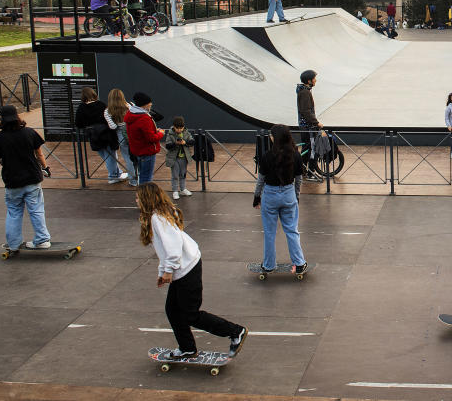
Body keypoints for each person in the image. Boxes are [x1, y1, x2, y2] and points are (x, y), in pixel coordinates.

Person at [136, 182, 248, 360]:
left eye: (138, 197)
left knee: (190, 314)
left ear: (146, 199)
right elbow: (163, 250)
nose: (136, 200)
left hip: (187, 268)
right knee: (172, 310)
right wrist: (163, 272)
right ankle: (187, 347)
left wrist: (168, 270)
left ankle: (236, 331)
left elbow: (173, 248)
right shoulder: (159, 215)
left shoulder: (158, 218)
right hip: (183, 267)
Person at [0, 105, 52, 251]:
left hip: (12, 180)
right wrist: (45, 168)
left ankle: (14, 244)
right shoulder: (29, 133)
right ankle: (42, 240)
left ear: (1, 119)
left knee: (14, 212)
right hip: (32, 178)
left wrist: (0, 158)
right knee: (36, 209)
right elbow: (39, 154)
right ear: (17, 117)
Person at [254, 124, 308, 274]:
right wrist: (296, 196)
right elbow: (298, 180)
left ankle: (269, 265)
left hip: (270, 196)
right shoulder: (295, 155)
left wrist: (257, 197)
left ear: (275, 138)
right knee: (292, 230)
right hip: (288, 194)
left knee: (269, 232)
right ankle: (299, 262)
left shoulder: (266, 156)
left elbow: (261, 180)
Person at [75, 87, 127, 185]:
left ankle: (117, 173)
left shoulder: (81, 108)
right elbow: (108, 117)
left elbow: (78, 123)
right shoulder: (100, 105)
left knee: (105, 155)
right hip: (106, 133)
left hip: (93, 134)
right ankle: (113, 176)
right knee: (110, 155)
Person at [125, 92, 165, 184]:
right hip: (147, 151)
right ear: (145, 104)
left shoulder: (131, 114)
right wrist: (161, 133)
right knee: (146, 178)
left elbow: (141, 132)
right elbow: (151, 138)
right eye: (149, 102)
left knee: (141, 175)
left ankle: (141, 196)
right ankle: (145, 197)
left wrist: (155, 131)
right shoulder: (144, 118)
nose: (151, 104)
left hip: (137, 150)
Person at [105, 89, 138, 186]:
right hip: (132, 131)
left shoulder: (107, 111)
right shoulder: (129, 106)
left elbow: (113, 127)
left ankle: (133, 181)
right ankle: (141, 178)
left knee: (128, 158)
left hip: (120, 134)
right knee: (137, 156)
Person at [295, 69, 323, 183]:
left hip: (306, 126)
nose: (316, 80)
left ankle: (302, 171)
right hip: (308, 126)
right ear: (309, 80)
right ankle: (311, 174)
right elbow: (306, 111)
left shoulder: (304, 91)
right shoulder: (305, 92)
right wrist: (316, 123)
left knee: (307, 149)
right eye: (314, 78)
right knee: (312, 149)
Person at [164, 116, 194, 200]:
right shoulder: (170, 134)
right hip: (174, 158)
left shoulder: (186, 132)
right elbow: (168, 145)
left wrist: (185, 142)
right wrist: (175, 143)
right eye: (177, 128)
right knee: (175, 175)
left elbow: (192, 142)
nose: (179, 130)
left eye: (181, 128)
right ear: (174, 126)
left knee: (183, 174)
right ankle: (175, 191)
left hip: (184, 158)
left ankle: (183, 189)